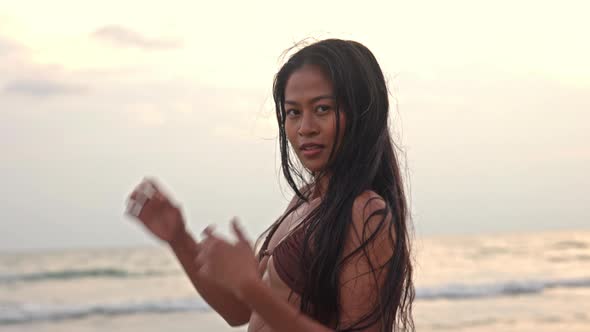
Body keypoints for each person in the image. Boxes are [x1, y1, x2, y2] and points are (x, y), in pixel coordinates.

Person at [125, 39, 415, 332]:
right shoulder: (304, 202)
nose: (305, 127)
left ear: (362, 112)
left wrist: (251, 288)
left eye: (323, 108)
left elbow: (257, 299)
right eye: (293, 112)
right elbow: (240, 312)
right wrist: (179, 239)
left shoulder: (365, 213)